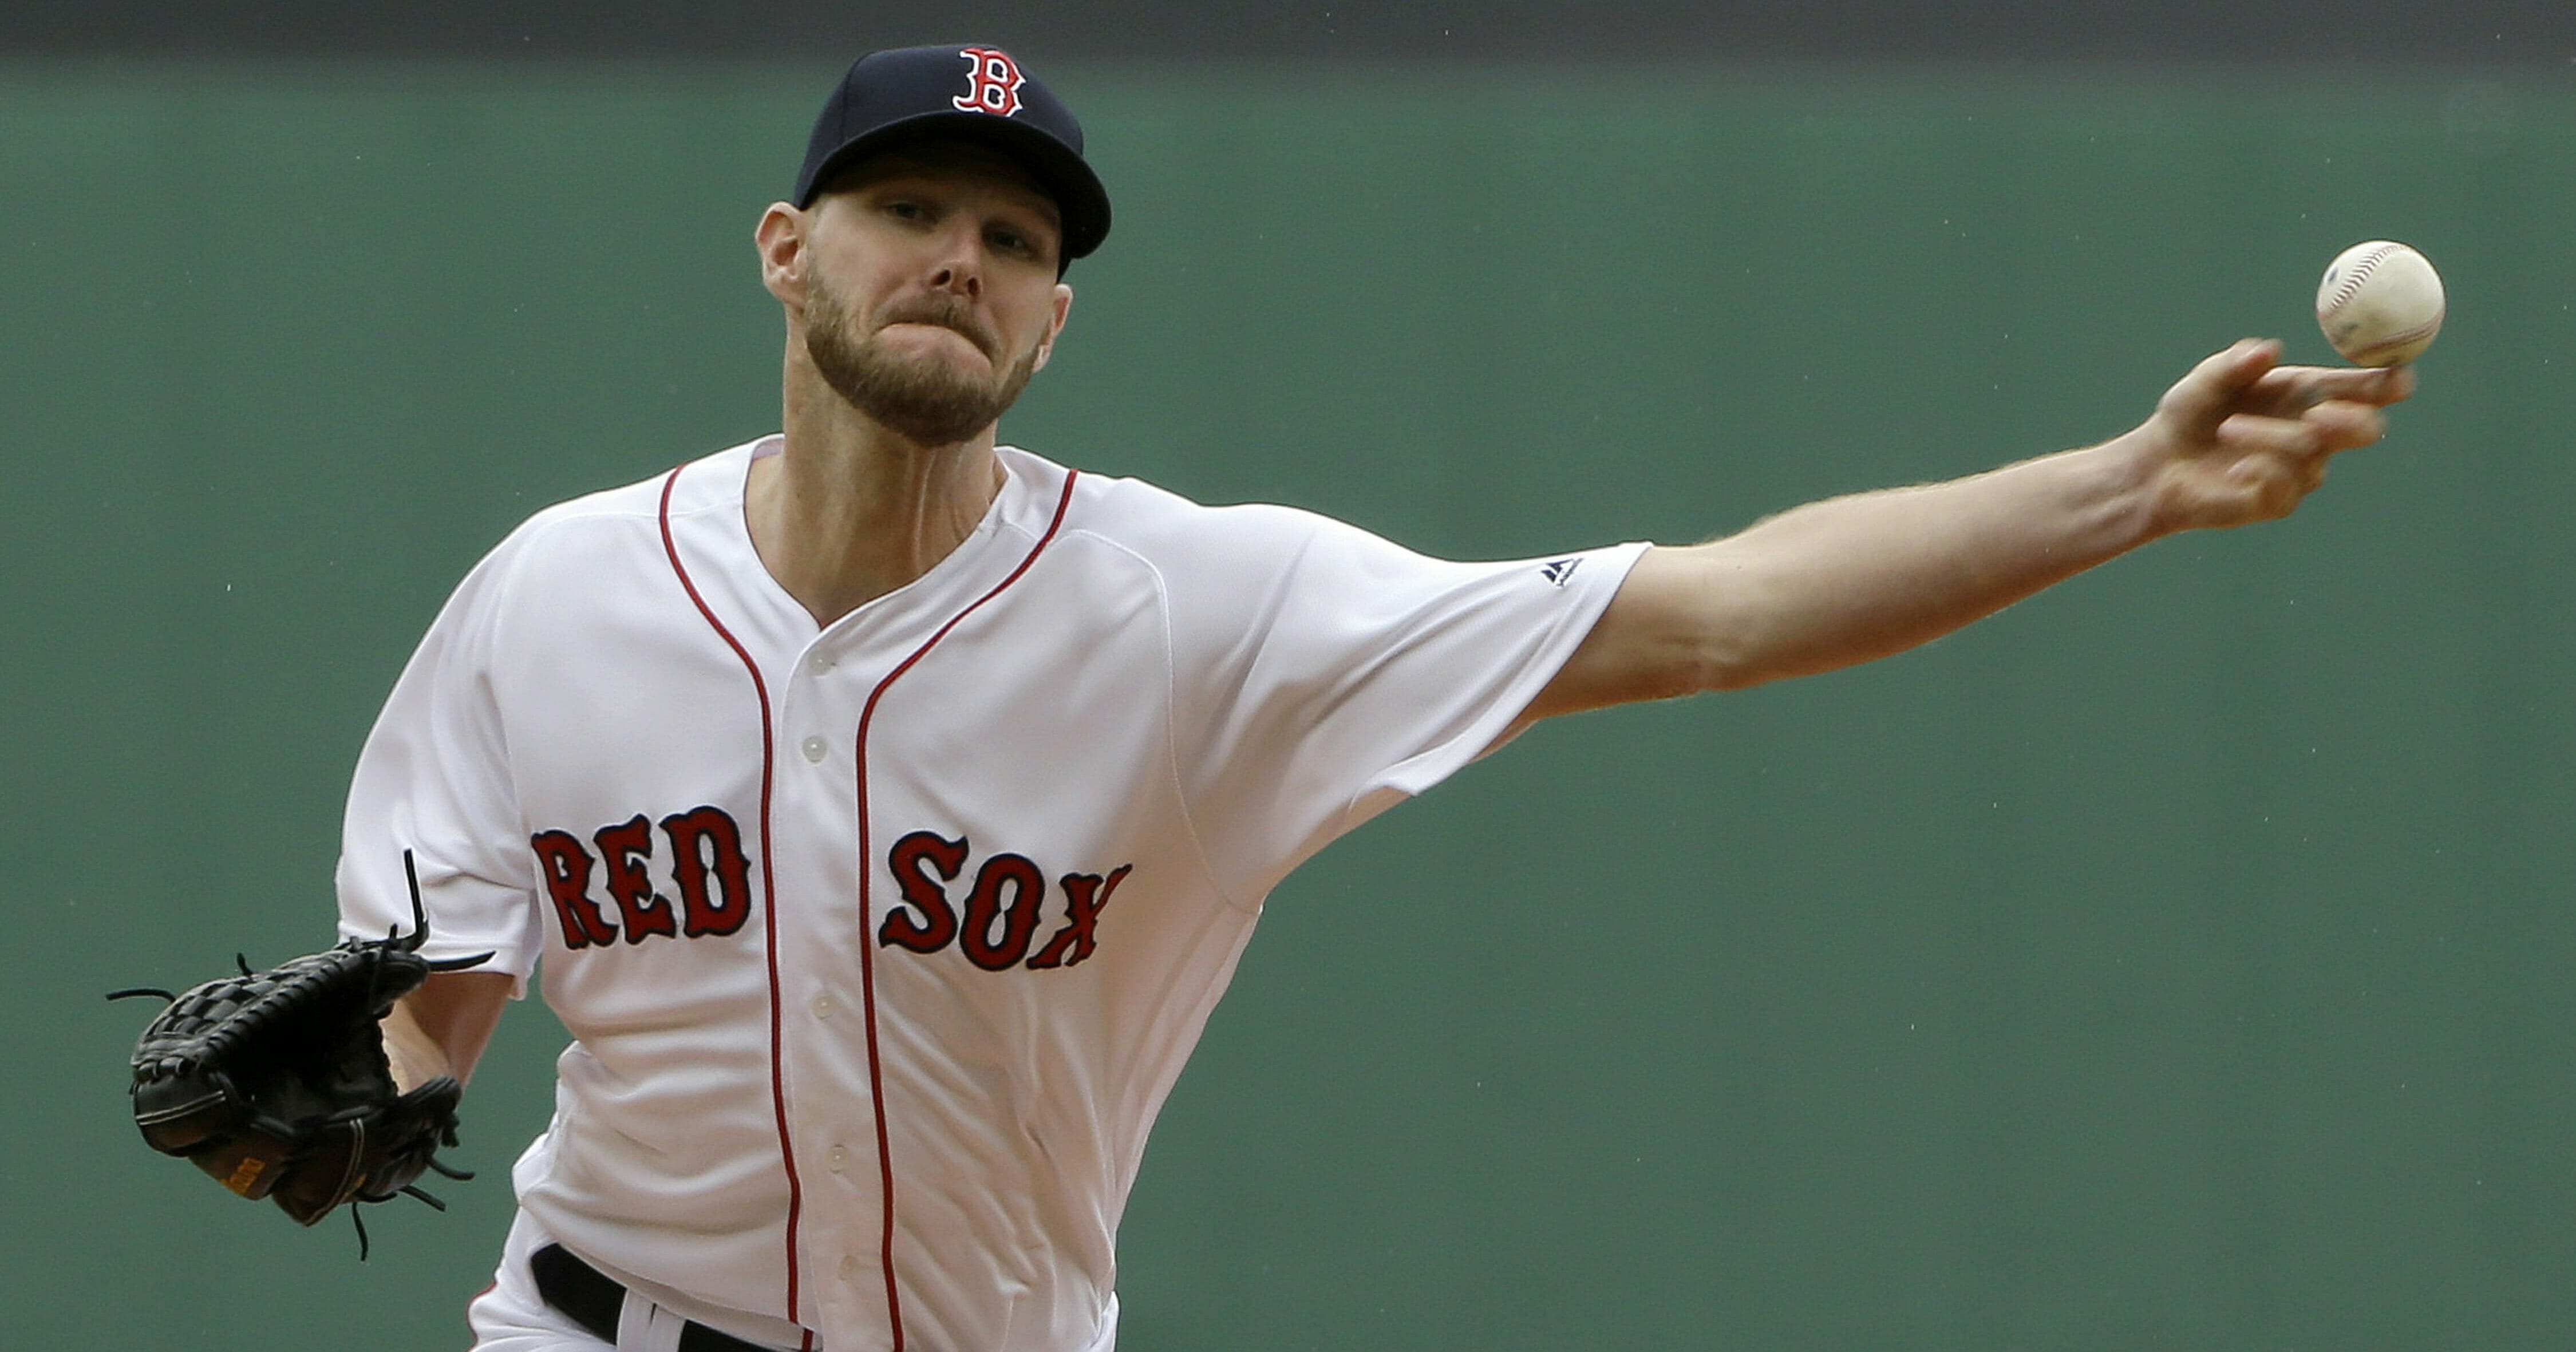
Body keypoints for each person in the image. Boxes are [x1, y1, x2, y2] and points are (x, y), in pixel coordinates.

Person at [338, 42, 2413, 1352]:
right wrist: (387, 1089)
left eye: (1012, 235)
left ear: (1054, 319)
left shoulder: (1192, 615)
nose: (958, 256)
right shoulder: (557, 594)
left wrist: (2129, 485)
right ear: (789, 251)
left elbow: (1705, 611)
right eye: (905, 211)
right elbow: (439, 984)